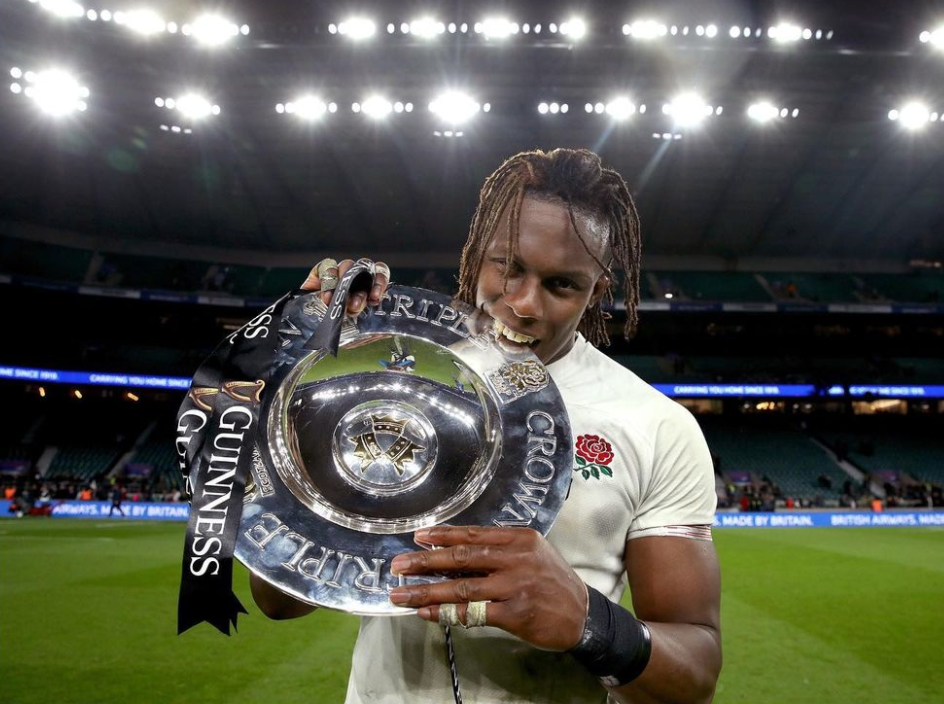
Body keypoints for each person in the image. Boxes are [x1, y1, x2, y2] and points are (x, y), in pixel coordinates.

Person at [250, 149, 721, 704]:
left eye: (562, 284)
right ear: (474, 256)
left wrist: (586, 619)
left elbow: (694, 674)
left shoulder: (656, 425)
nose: (523, 304)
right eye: (509, 267)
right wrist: (303, 370)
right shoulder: (389, 371)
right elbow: (279, 601)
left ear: (598, 289)